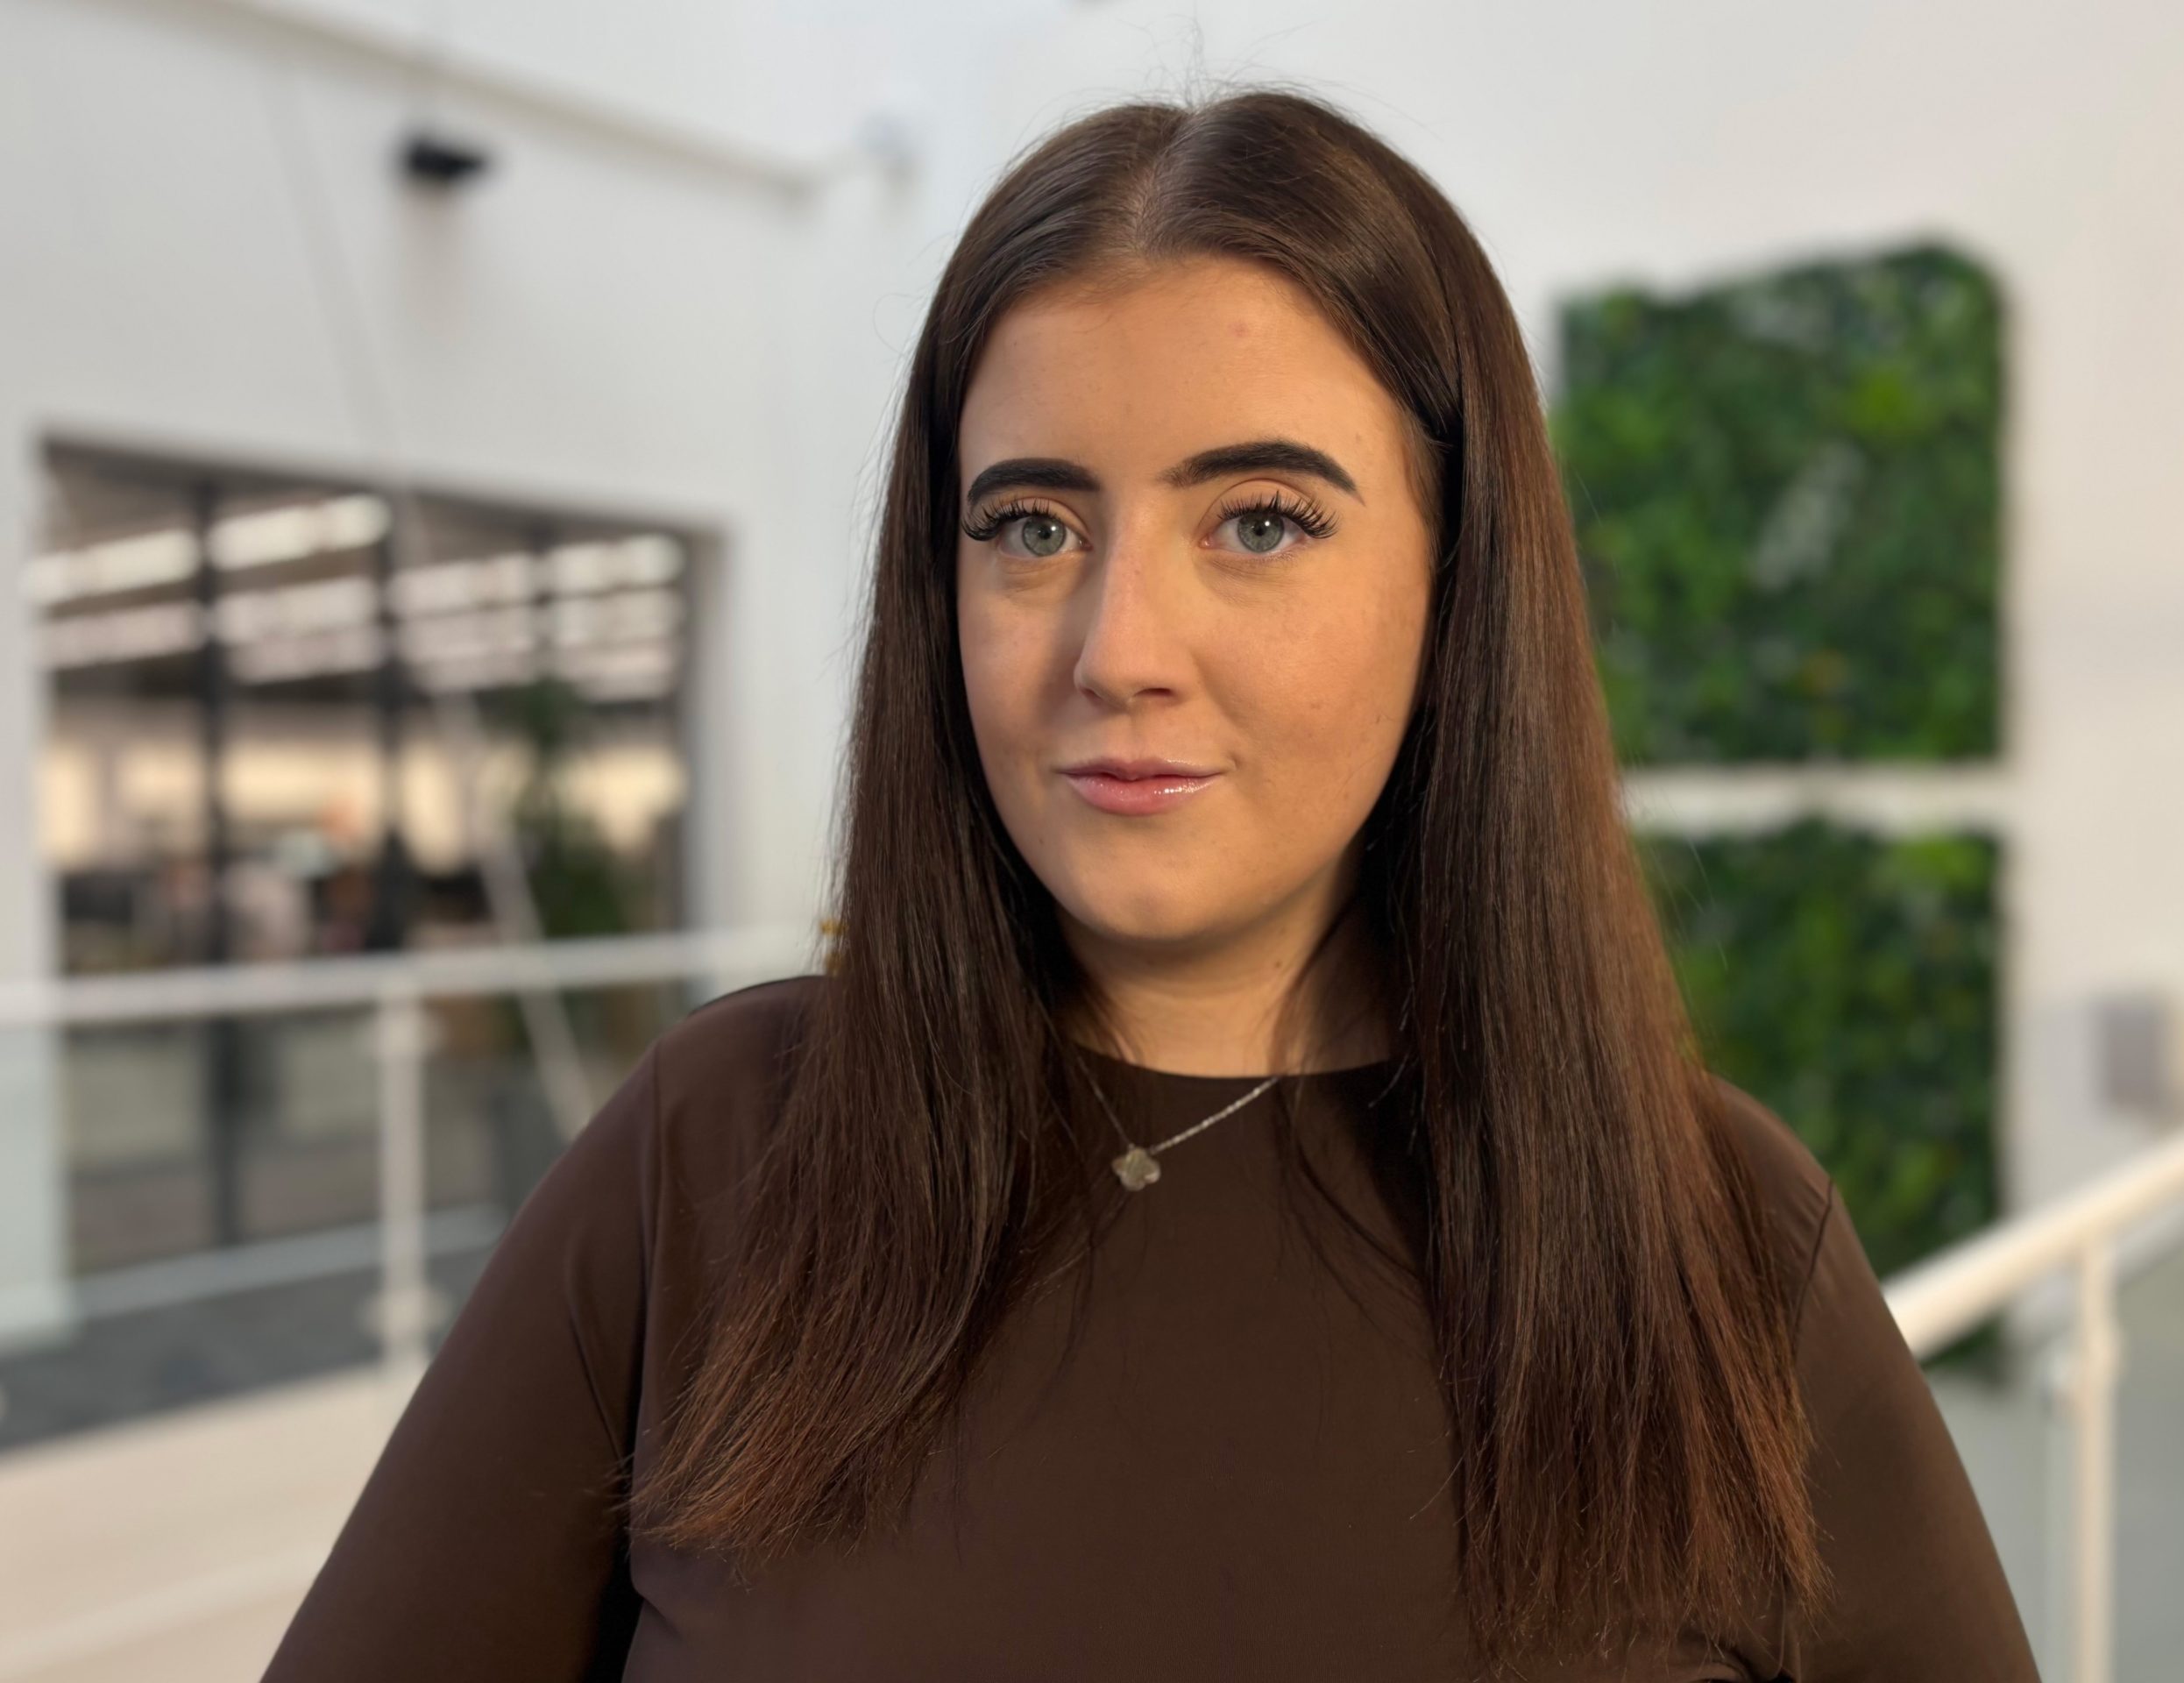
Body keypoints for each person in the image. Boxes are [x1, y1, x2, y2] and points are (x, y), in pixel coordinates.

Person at [262, 87, 2039, 1681]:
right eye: (1031, 528)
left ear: (1457, 590)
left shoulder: (1718, 1242)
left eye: (1259, 521)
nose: (1117, 651)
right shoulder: (715, 1157)